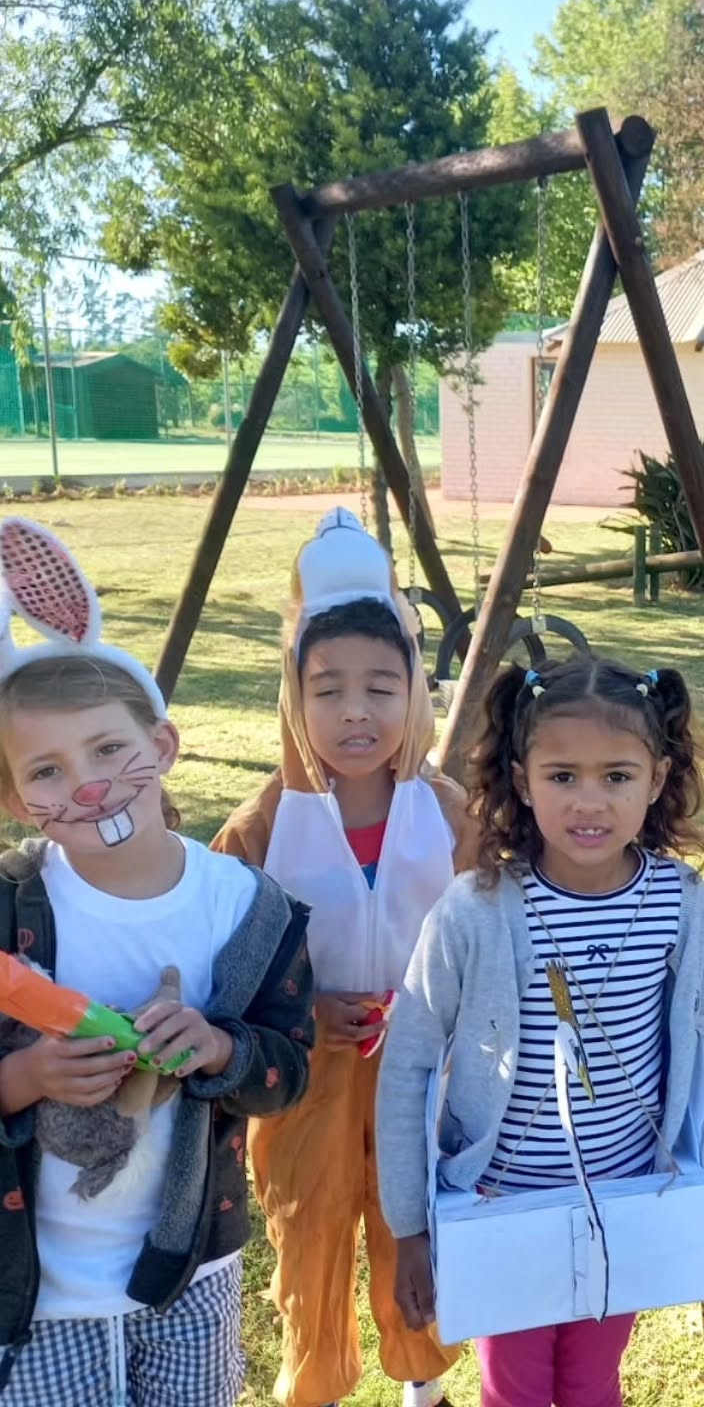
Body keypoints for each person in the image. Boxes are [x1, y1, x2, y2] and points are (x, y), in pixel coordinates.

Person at [0, 517, 313, 1405]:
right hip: (37, 1289)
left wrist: (218, 1049)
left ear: (164, 746)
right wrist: (26, 1077)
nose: (88, 784)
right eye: (46, 771)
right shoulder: (12, 906)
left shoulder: (249, 911)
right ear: (15, 799)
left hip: (188, 1271)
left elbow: (289, 1072)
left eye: (109, 749)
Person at [377, 655, 704, 1407]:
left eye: (617, 775)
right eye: (562, 775)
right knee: (517, 1389)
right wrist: (408, 1227)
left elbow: (699, 1045)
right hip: (502, 1202)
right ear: (522, 778)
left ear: (658, 778)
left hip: (625, 1198)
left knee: (594, 1381)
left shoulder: (680, 898)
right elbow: (408, 1065)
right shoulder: (476, 909)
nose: (589, 802)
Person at [212, 508, 466, 1407]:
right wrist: (303, 1008)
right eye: (327, 689)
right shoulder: (260, 827)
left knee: (415, 1228)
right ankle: (313, 1385)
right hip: (304, 1080)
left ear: (415, 692)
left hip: (421, 1077)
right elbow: (221, 965)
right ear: (294, 696)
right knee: (309, 1233)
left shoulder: (448, 813)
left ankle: (423, 1384)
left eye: (380, 687)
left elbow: (488, 935)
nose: (356, 711)